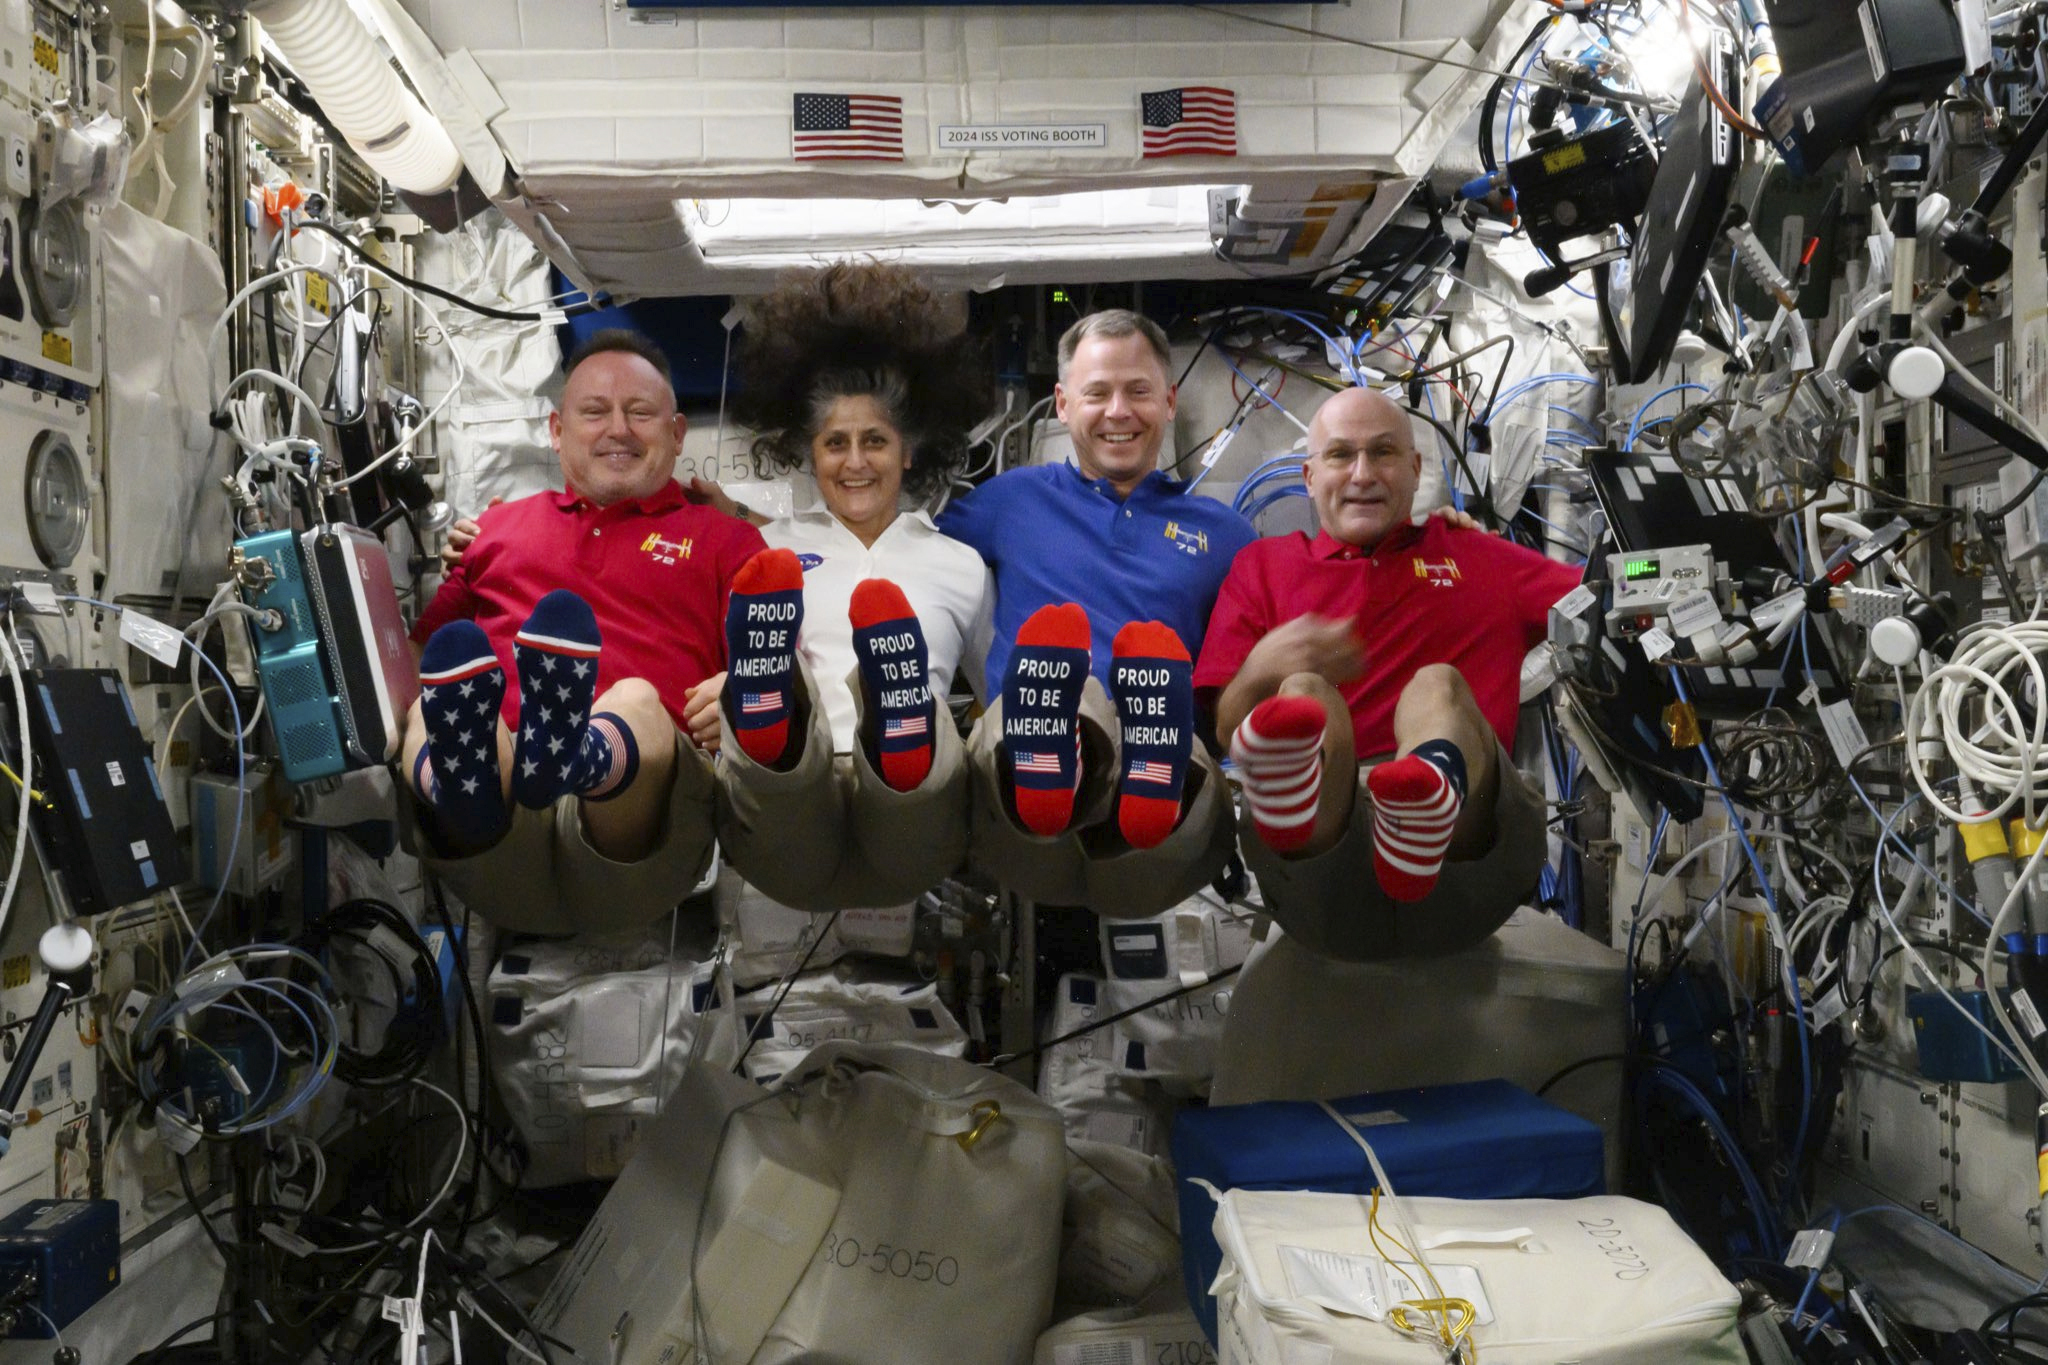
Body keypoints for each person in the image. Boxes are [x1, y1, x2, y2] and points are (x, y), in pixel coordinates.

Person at [1194, 384, 1582, 960]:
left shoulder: (1479, 558)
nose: (1362, 473)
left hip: (1467, 856)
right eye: (1340, 455)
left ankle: (1426, 791)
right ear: (1308, 476)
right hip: (1323, 867)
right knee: (1303, 695)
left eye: (1382, 452)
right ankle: (1307, 806)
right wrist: (1263, 666)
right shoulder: (1264, 568)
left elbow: (1609, 599)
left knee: (1439, 687)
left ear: (1416, 468)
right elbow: (1226, 728)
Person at [403, 329, 767, 934]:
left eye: (640, 412)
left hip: (640, 827)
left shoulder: (727, 541)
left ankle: (580, 756)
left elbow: (778, 667)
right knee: (435, 701)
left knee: (634, 701)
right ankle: (461, 782)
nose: (617, 429)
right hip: (495, 818)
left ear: (677, 434)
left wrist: (737, 687)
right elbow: (420, 655)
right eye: (594, 412)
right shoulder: (494, 531)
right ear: (556, 431)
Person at [935, 310, 1256, 916]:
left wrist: (1433, 530)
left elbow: (1300, 587)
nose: (1118, 412)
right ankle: (1059, 746)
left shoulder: (1225, 534)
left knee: (1169, 740)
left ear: (1168, 401)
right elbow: (895, 549)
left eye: (1138, 391)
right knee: (1062, 692)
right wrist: (759, 531)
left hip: (1158, 802)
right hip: (1020, 787)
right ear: (1061, 404)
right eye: (1097, 393)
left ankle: (1146, 758)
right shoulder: (1009, 501)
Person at [693, 261, 993, 909]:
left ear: (909, 450)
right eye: (835, 442)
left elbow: (993, 702)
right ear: (810, 451)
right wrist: (730, 689)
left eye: (874, 441)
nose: (855, 462)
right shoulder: (767, 552)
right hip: (796, 797)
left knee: (916, 772)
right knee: (783, 768)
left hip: (911, 813)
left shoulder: (960, 565)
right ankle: (771, 707)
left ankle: (900, 718)